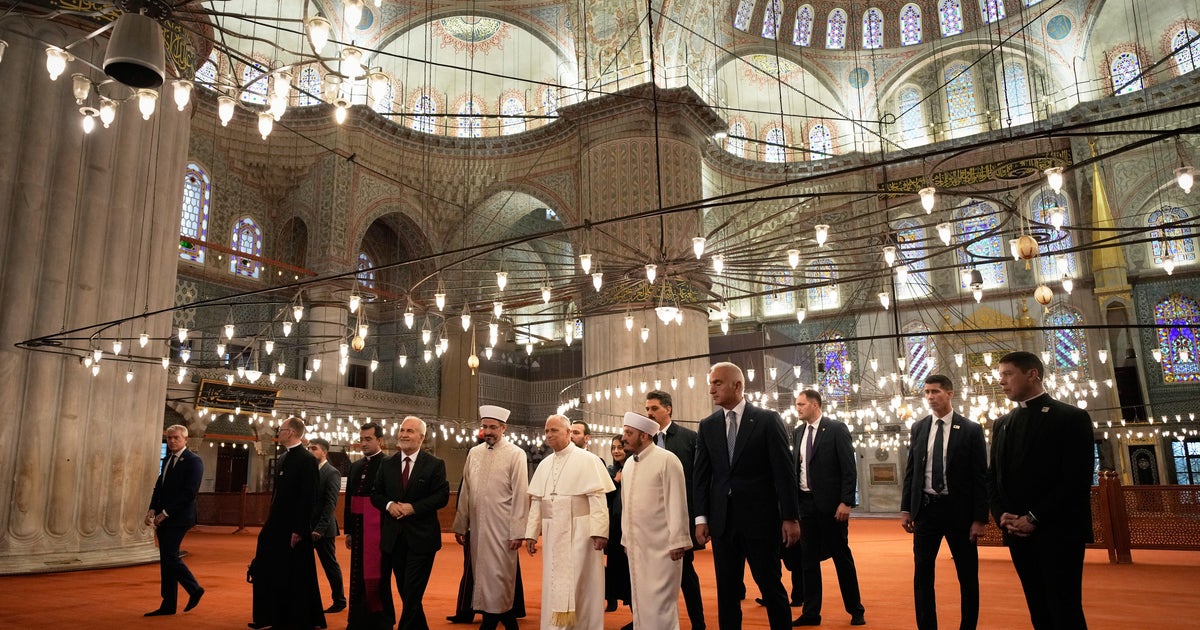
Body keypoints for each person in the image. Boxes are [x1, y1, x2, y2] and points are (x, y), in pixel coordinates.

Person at [988, 351, 1094, 630]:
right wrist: (1002, 516)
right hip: (1016, 533)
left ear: (1033, 374)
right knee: (1037, 607)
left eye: (1008, 374)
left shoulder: (1070, 417)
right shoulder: (1002, 423)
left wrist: (1033, 517)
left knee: (1065, 608)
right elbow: (993, 478)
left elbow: (1075, 480)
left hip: (1057, 531)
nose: (1001, 382)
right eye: (1000, 376)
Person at [694, 362, 800, 630]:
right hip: (722, 523)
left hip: (760, 521)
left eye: (717, 383)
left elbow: (784, 473)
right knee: (727, 593)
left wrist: (790, 517)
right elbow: (702, 477)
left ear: (737, 385)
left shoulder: (766, 420)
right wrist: (701, 518)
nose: (711, 390)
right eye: (711, 383)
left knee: (771, 587)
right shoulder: (708, 426)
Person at [900, 374, 988, 630]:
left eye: (935, 391)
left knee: (967, 575)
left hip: (959, 513)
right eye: (926, 392)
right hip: (926, 511)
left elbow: (980, 476)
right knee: (923, 575)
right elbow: (911, 471)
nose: (930, 397)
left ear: (950, 394)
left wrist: (980, 518)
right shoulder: (919, 427)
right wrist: (906, 509)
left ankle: (968, 626)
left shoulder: (970, 429)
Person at [525, 414, 615, 630]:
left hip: (581, 532)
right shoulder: (545, 464)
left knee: (581, 583)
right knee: (553, 581)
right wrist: (531, 533)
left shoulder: (588, 460)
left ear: (568, 433)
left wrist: (600, 532)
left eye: (554, 430)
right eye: (546, 431)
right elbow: (537, 501)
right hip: (553, 531)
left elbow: (598, 498)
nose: (548, 435)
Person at [791, 389, 866, 627]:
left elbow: (848, 468)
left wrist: (846, 501)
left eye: (801, 404)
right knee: (808, 561)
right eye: (797, 404)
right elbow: (798, 468)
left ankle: (856, 610)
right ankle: (812, 613)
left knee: (841, 558)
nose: (798, 408)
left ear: (815, 404)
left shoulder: (835, 429)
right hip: (805, 505)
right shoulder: (797, 433)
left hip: (832, 507)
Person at [452, 405, 530, 630]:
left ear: (503, 428)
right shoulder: (474, 453)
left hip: (503, 529)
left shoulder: (516, 454)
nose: (488, 431)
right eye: (485, 427)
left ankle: (489, 622)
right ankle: (503, 621)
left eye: (493, 427)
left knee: (500, 577)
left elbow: (520, 495)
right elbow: (466, 491)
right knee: (483, 577)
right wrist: (461, 525)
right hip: (477, 529)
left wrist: (518, 531)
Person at [371, 416, 450, 630]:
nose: (404, 434)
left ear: (422, 437)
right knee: (405, 590)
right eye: (402, 430)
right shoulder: (387, 463)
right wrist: (389, 505)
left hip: (422, 540)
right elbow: (376, 494)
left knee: (413, 590)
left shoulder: (434, 464)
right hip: (394, 539)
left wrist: (413, 508)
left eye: (410, 431)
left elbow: (441, 496)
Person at [249, 417, 326, 629]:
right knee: (269, 568)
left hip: (294, 528)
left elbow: (308, 497)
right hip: (276, 525)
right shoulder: (283, 457)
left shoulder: (307, 460)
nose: (278, 432)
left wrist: (299, 529)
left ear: (290, 432)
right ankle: (269, 616)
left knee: (295, 574)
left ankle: (297, 618)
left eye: (280, 429)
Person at [619, 412, 693, 630]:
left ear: (644, 436)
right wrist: (626, 538)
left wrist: (678, 540)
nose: (624, 438)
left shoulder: (667, 460)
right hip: (637, 546)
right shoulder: (630, 465)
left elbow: (677, 502)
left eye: (629, 433)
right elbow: (627, 506)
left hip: (663, 548)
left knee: (661, 603)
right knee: (641, 600)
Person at [645, 389, 708, 629]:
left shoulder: (690, 438)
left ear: (668, 409)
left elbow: (699, 480)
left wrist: (699, 518)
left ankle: (698, 623)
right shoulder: (644, 441)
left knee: (685, 573)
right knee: (652, 574)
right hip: (652, 520)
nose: (649, 413)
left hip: (681, 517)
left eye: (654, 408)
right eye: (647, 409)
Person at [144, 424, 204, 617]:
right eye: (169, 438)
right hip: (164, 516)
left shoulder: (194, 461)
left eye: (176, 438)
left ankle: (194, 589)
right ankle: (168, 604)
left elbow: (189, 493)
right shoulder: (168, 459)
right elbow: (159, 486)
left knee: (170, 557)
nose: (171, 441)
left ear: (185, 439)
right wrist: (152, 508)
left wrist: (166, 513)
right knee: (166, 560)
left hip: (179, 517)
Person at [344, 421, 395, 630]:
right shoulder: (356, 465)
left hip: (378, 529)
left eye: (368, 439)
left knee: (378, 575)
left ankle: (380, 620)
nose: (363, 443)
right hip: (357, 528)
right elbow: (349, 499)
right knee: (356, 573)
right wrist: (348, 531)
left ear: (380, 440)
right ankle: (357, 619)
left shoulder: (388, 464)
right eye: (361, 439)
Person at [308, 437, 347, 614]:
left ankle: (339, 601)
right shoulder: (308, 471)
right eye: (308, 448)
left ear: (324, 452)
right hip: (306, 528)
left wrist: (319, 529)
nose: (309, 451)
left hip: (323, 530)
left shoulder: (332, 473)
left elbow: (330, 504)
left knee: (330, 566)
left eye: (313, 448)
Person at [604, 435, 631, 617]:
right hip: (615, 529)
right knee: (617, 571)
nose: (616, 451)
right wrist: (615, 482)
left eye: (620, 447)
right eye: (613, 447)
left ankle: (637, 618)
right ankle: (612, 599)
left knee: (632, 574)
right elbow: (604, 498)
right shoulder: (610, 471)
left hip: (631, 527)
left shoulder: (635, 468)